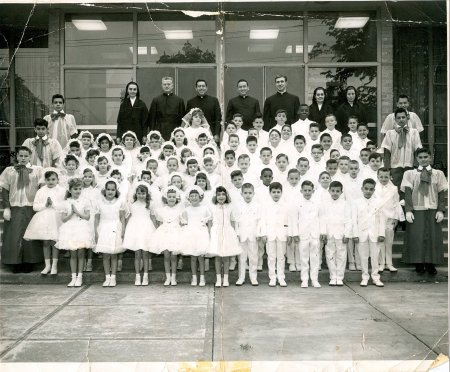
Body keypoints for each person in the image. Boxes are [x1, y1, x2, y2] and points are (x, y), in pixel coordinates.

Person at [400, 148, 447, 275]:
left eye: (426, 157)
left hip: (432, 208)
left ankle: (431, 263)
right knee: (417, 237)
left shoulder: (438, 174)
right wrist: (408, 210)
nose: (423, 159)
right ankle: (419, 263)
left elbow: (441, 193)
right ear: (416, 159)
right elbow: (408, 193)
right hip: (417, 209)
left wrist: (441, 210)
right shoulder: (410, 174)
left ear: (430, 157)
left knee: (432, 237)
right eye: (420, 157)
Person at [0, 146, 44, 273]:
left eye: (26, 156)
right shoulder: (9, 171)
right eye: (21, 156)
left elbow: (42, 189)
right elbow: (5, 190)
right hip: (15, 206)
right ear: (17, 156)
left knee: (29, 235)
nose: (23, 158)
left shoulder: (37, 170)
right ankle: (15, 262)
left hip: (31, 206)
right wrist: (7, 208)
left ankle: (29, 262)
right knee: (14, 236)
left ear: (30, 157)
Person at [23, 170, 65, 275]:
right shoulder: (41, 191)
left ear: (57, 180)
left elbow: (64, 206)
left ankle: (54, 266)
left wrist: (53, 204)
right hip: (44, 217)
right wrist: (45, 205)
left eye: (53, 179)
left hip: (57, 217)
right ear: (45, 180)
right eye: (48, 179)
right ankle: (47, 266)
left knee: (55, 241)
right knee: (46, 242)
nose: (51, 182)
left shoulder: (62, 190)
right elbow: (35, 207)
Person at [56, 178, 93, 287]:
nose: (78, 191)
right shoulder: (66, 202)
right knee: (73, 254)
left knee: (81, 253)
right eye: (75, 189)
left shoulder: (85, 201)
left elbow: (87, 217)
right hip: (70, 229)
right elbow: (63, 219)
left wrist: (77, 212)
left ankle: (80, 277)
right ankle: (73, 277)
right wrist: (71, 213)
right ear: (70, 190)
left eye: (79, 188)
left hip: (81, 228)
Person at [351, 178, 385, 287]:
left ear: (374, 190)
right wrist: (355, 234)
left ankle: (375, 277)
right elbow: (354, 220)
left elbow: (381, 219)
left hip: (374, 234)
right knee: (363, 256)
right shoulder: (356, 203)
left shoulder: (378, 202)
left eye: (371, 189)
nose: (368, 191)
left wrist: (381, 233)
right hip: (362, 234)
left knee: (375, 256)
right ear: (362, 189)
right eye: (366, 189)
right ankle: (365, 276)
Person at [94, 179, 126, 287]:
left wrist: (123, 230)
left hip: (115, 227)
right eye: (108, 189)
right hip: (103, 228)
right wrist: (96, 232)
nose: (110, 192)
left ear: (116, 190)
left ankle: (113, 277)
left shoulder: (120, 202)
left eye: (113, 189)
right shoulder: (99, 202)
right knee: (105, 255)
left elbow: (122, 217)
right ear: (105, 190)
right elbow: (97, 219)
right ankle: (107, 276)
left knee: (114, 254)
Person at [150, 186, 185, 286]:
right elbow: (159, 222)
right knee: (166, 256)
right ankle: (167, 277)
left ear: (177, 198)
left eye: (174, 197)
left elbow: (182, 222)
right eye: (169, 197)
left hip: (175, 232)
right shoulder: (162, 210)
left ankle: (173, 277)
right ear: (166, 198)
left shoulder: (180, 209)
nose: (171, 198)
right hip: (165, 232)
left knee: (174, 256)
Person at [123, 182, 156, 286]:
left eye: (143, 193)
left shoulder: (150, 204)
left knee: (145, 253)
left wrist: (155, 231)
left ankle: (145, 276)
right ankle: (137, 276)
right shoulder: (131, 205)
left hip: (147, 228)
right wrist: (126, 231)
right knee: (137, 254)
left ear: (147, 194)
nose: (141, 195)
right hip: (135, 229)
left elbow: (153, 218)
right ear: (135, 194)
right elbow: (128, 218)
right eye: (139, 193)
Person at [319, 180, 352, 286]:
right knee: (330, 254)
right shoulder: (324, 203)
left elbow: (348, 220)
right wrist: (323, 232)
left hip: (341, 234)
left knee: (341, 255)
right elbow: (322, 219)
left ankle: (340, 277)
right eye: (333, 190)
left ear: (341, 192)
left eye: (337, 191)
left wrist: (347, 234)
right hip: (329, 234)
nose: (335, 193)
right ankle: (333, 276)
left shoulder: (345, 204)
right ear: (329, 191)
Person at [381, 107, 422, 189]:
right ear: (395, 119)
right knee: (396, 189)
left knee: (409, 189)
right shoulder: (390, 133)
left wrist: (416, 167)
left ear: (407, 118)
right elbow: (387, 152)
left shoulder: (414, 132)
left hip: (410, 166)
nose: (401, 119)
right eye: (398, 118)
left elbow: (417, 149)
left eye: (403, 117)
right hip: (395, 167)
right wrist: (387, 169)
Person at [291, 180, 321, 288]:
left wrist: (321, 232)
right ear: (301, 191)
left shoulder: (317, 203)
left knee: (315, 257)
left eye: (309, 190)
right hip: (302, 234)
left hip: (314, 234)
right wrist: (295, 233)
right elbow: (294, 219)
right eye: (305, 190)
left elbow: (321, 218)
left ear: (313, 191)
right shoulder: (297, 203)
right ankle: (304, 279)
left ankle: (314, 279)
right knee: (303, 258)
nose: (307, 192)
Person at [259, 182, 290, 287]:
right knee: (271, 257)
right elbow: (262, 220)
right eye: (274, 192)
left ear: (281, 193)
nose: (276, 194)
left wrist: (288, 233)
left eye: (278, 192)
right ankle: (272, 277)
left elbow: (288, 221)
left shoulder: (286, 205)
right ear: (270, 193)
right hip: (270, 234)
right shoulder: (266, 205)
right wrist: (263, 233)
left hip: (282, 234)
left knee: (281, 257)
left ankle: (281, 277)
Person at [209, 186, 241, 287]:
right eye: (219, 195)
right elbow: (210, 221)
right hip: (216, 232)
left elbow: (232, 221)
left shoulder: (230, 207)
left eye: (223, 194)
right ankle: (218, 279)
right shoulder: (212, 207)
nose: (221, 196)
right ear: (216, 196)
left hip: (227, 232)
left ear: (226, 196)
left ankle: (226, 278)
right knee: (218, 257)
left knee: (226, 256)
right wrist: (211, 233)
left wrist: (235, 233)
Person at [181, 186, 212, 287]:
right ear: (189, 198)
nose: (194, 198)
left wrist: (209, 232)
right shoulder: (186, 210)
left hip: (201, 233)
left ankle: (202, 277)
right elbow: (184, 222)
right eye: (192, 196)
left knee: (201, 257)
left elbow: (209, 221)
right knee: (193, 257)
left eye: (196, 196)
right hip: (190, 233)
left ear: (200, 197)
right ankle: (194, 277)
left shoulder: (204, 208)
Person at [374, 167, 404, 272]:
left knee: (389, 241)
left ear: (390, 177)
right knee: (380, 241)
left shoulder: (394, 188)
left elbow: (396, 203)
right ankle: (381, 263)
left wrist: (396, 218)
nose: (383, 179)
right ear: (377, 176)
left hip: (390, 217)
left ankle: (389, 263)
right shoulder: (374, 188)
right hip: (378, 218)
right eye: (381, 177)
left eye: (386, 177)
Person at [234, 183, 261, 286]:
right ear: (241, 194)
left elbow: (259, 221)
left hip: (253, 234)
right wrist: (237, 233)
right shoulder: (238, 206)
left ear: (253, 193)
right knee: (242, 257)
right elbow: (236, 221)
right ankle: (241, 277)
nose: (248, 195)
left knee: (253, 256)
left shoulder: (257, 206)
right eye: (245, 193)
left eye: (250, 193)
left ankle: (253, 277)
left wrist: (259, 233)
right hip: (242, 234)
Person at [147, 77, 185, 141]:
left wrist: (180, 132)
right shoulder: (156, 100)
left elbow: (182, 119)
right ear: (162, 86)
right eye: (164, 84)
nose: (166, 86)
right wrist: (152, 132)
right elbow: (152, 119)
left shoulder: (179, 100)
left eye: (168, 84)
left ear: (172, 86)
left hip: (174, 130)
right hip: (159, 130)